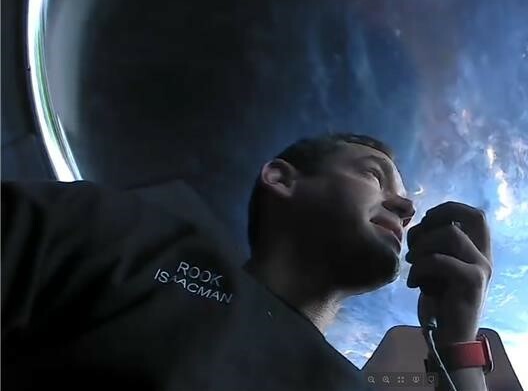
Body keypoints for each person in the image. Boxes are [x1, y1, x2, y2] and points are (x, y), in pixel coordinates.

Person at [1, 133, 493, 391]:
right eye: (374, 175)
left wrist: (457, 342)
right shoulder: (132, 239)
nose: (406, 209)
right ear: (281, 179)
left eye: (405, 202)